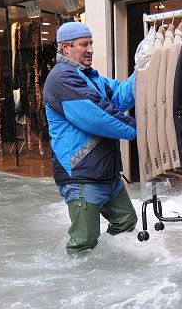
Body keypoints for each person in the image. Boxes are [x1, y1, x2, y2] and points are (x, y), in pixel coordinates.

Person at [43, 21, 138, 254]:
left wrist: (142, 69)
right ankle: (78, 286)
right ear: (66, 48)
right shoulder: (61, 79)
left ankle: (111, 273)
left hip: (106, 174)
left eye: (91, 43)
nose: (91, 49)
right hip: (81, 176)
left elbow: (122, 96)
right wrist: (142, 131)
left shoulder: (91, 78)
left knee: (125, 221)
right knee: (83, 243)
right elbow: (98, 117)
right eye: (84, 44)